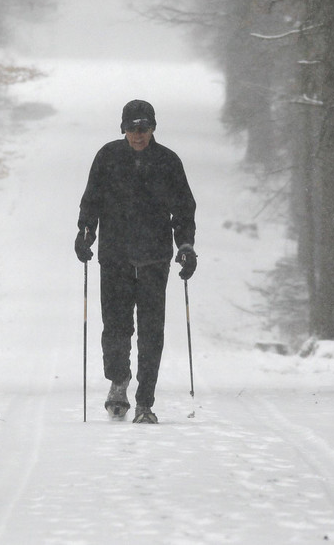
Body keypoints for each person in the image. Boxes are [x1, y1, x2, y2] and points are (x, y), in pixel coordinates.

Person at [75, 100, 197, 424]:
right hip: (114, 256)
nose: (138, 135)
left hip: (155, 258)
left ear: (153, 128)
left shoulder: (168, 162)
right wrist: (85, 233)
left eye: (143, 128)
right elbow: (91, 201)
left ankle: (145, 402)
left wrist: (185, 246)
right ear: (123, 130)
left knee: (150, 331)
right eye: (132, 128)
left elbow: (184, 210)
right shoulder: (108, 158)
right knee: (115, 326)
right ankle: (118, 381)